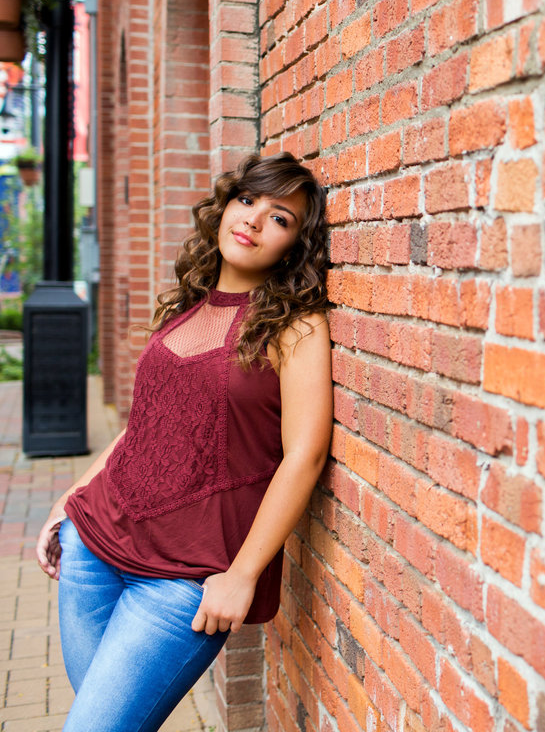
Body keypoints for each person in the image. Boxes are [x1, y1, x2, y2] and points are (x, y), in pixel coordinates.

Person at [35, 152, 333, 732]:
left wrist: (244, 573)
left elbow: (305, 456)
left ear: (294, 246)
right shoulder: (185, 307)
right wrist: (69, 500)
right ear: (223, 209)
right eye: (247, 201)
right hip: (93, 549)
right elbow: (145, 426)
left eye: (280, 218)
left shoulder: (295, 325)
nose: (253, 220)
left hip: (183, 583)